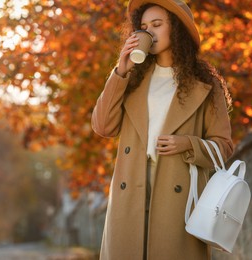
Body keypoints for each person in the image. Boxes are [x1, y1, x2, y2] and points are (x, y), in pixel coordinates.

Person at [91, 0, 234, 259]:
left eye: (157, 25)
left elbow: (223, 147)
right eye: (143, 27)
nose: (149, 33)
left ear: (176, 29)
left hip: (176, 196)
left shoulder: (206, 85)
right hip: (129, 194)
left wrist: (188, 144)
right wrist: (120, 69)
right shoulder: (131, 79)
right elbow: (103, 126)